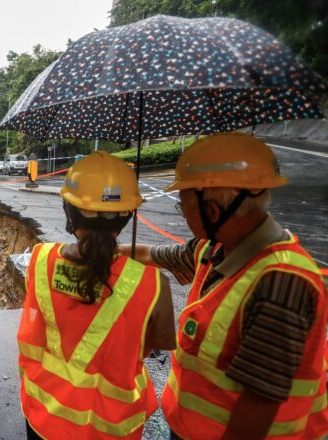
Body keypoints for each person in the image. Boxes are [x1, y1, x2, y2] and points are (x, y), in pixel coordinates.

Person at [120, 133, 327, 440]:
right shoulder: (212, 249)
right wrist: (96, 253)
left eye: (183, 205)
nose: (182, 212)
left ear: (212, 210)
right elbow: (150, 254)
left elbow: (257, 409)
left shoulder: (281, 284)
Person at [18, 151, 175, 440]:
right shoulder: (153, 285)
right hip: (110, 429)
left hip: (43, 416)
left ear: (70, 210)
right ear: (127, 216)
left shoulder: (40, 260)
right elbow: (146, 348)